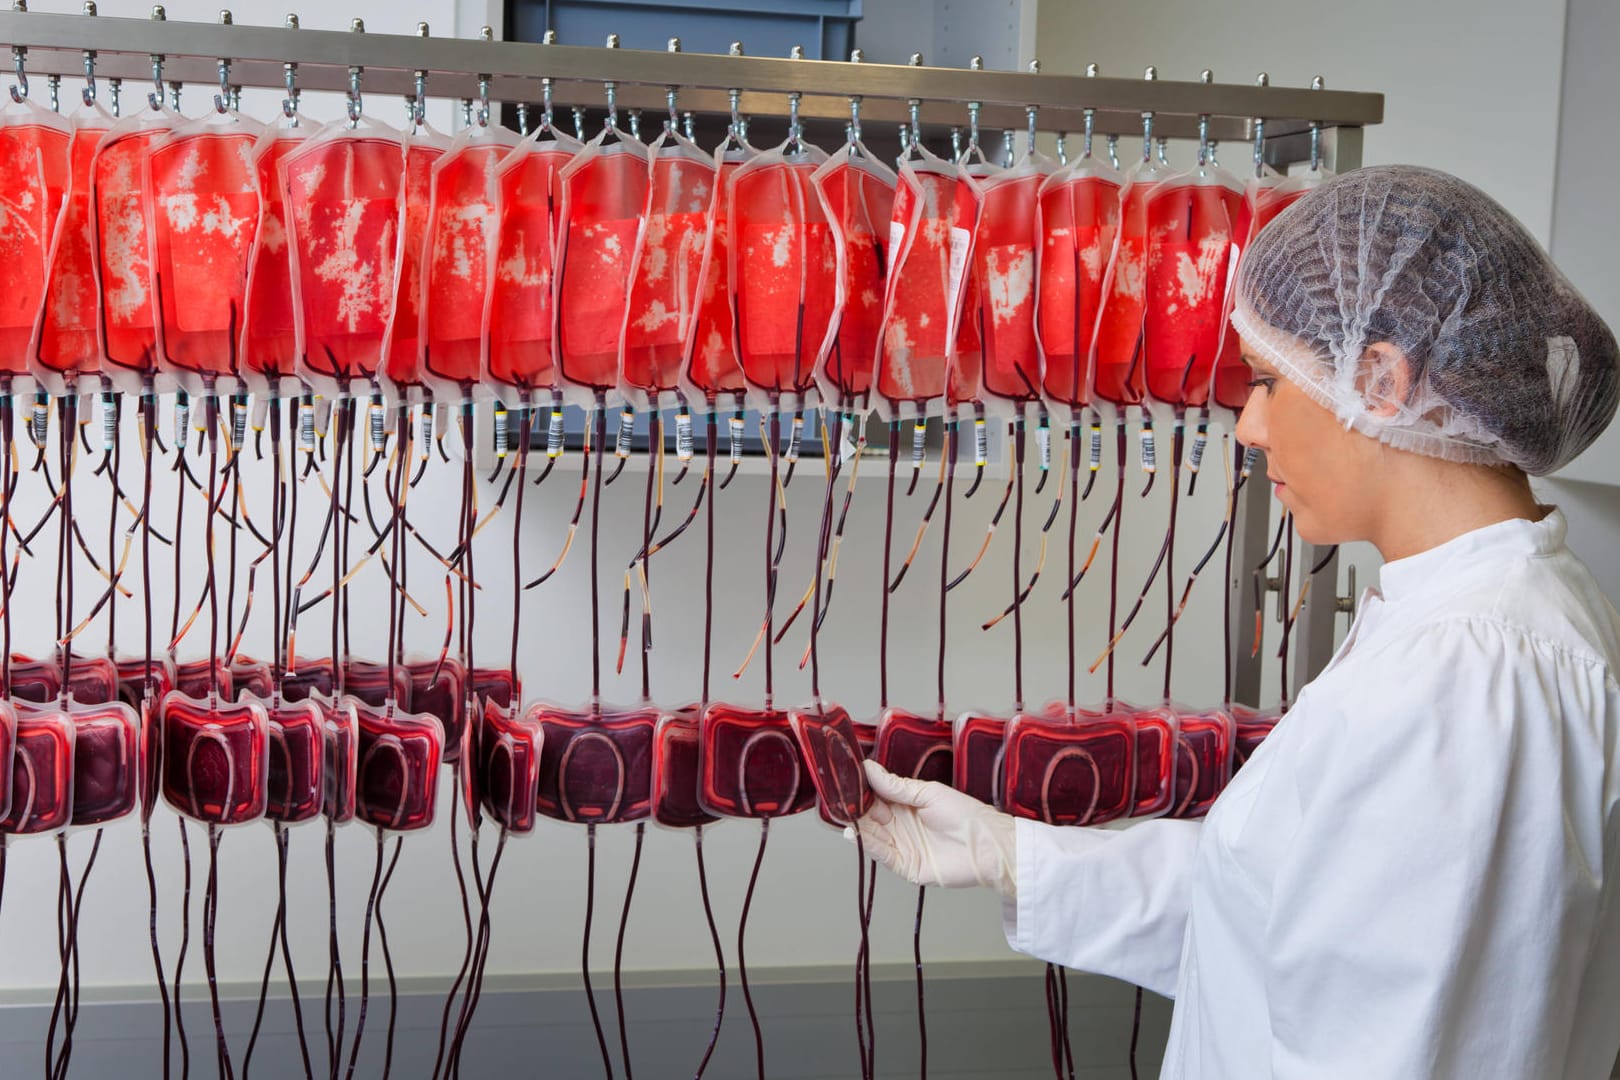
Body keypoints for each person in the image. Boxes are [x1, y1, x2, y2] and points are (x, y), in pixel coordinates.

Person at [852, 165, 1620, 1078]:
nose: (1249, 429)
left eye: (1265, 381)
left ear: (1379, 378)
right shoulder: (1461, 631)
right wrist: (1014, 855)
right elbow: (1274, 911)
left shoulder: (1472, 678)